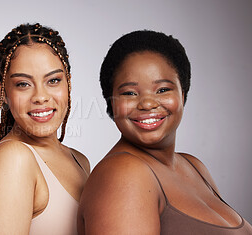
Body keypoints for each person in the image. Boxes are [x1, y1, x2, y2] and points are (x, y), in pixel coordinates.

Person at [78, 30, 252, 234]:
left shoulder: (194, 167)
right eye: (129, 93)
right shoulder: (124, 174)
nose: (147, 103)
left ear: (183, 93)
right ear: (111, 102)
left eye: (162, 89)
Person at [0, 23, 90, 235]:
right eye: (23, 84)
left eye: (53, 80)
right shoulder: (13, 158)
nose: (41, 97)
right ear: (3, 92)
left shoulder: (80, 161)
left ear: (68, 83)